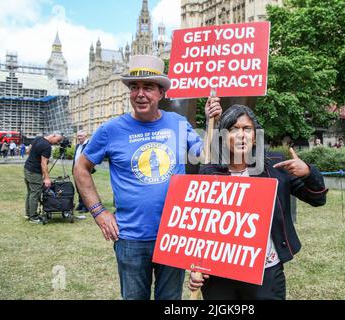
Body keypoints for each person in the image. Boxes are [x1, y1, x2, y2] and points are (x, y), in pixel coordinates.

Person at [74, 55, 222, 300]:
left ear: (161, 93)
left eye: (148, 87)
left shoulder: (178, 123)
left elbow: (207, 155)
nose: (140, 94)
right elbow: (81, 168)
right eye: (135, 87)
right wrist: (99, 212)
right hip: (131, 238)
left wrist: (211, 121)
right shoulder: (111, 130)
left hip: (174, 234)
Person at [188, 105, 328, 300]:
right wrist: (196, 266)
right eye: (233, 129)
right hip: (220, 276)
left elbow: (318, 198)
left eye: (246, 129)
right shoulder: (208, 172)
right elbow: (199, 226)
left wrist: (308, 172)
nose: (240, 135)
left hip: (265, 273)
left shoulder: (276, 166)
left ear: (255, 136)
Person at [24, 132, 64, 223]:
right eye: (58, 140)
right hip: (34, 171)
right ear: (53, 135)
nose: (57, 143)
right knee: (35, 193)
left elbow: (28, 150)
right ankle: (33, 217)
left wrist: (35, 157)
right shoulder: (47, 146)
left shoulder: (38, 138)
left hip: (27, 168)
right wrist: (46, 178)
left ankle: (28, 213)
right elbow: (43, 163)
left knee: (30, 192)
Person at [72, 130, 94, 214]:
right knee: (78, 188)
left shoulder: (89, 145)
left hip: (84, 170)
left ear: (86, 136)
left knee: (85, 189)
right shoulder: (78, 145)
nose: (79, 137)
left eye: (81, 136)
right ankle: (81, 204)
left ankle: (86, 206)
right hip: (76, 170)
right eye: (78, 136)